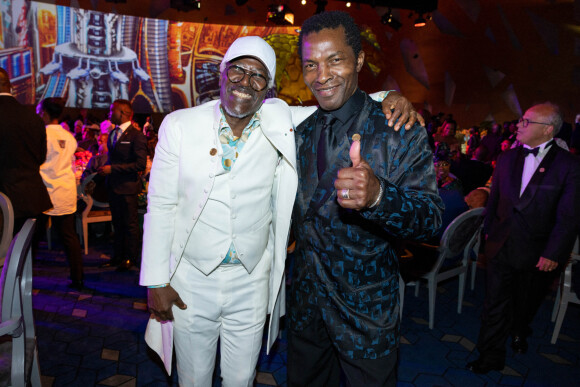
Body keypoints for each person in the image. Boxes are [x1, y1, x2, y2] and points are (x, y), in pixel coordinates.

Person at [140, 35, 422, 385]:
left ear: (268, 89)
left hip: (252, 282)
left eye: (258, 76)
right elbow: (161, 205)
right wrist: (156, 280)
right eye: (238, 71)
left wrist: (388, 97)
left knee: (242, 378)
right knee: (193, 378)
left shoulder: (279, 117)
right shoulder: (180, 125)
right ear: (222, 73)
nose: (246, 82)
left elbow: (335, 101)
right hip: (191, 281)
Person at [288, 11, 443, 386]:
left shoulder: (397, 128)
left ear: (358, 60)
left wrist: (378, 197)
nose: (321, 75)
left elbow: (431, 219)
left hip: (366, 311)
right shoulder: (297, 131)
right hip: (306, 305)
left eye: (335, 59)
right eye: (311, 64)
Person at [467, 102, 580, 374]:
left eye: (527, 122)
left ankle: (519, 330)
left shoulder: (569, 165)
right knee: (493, 303)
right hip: (500, 245)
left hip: (537, 251)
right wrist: (488, 234)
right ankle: (490, 356)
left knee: (525, 302)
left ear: (548, 130)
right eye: (521, 120)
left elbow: (569, 216)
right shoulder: (506, 157)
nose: (519, 125)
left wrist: (554, 253)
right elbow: (494, 201)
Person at [36, 98, 84, 290]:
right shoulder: (69, 136)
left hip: (44, 190)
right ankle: (78, 278)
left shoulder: (41, 134)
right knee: (69, 237)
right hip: (65, 190)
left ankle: (24, 276)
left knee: (31, 238)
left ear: (45, 113)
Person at [0, 67, 52, 234]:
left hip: (3, 204)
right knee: (23, 255)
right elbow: (41, 157)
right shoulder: (33, 117)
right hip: (32, 199)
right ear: (10, 87)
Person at [98, 99, 147, 271]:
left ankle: (131, 258)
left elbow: (140, 165)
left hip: (128, 187)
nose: (109, 114)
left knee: (130, 224)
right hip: (113, 186)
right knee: (117, 224)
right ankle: (118, 256)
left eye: (112, 111)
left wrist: (113, 169)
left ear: (123, 113)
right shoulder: (113, 133)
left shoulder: (137, 135)